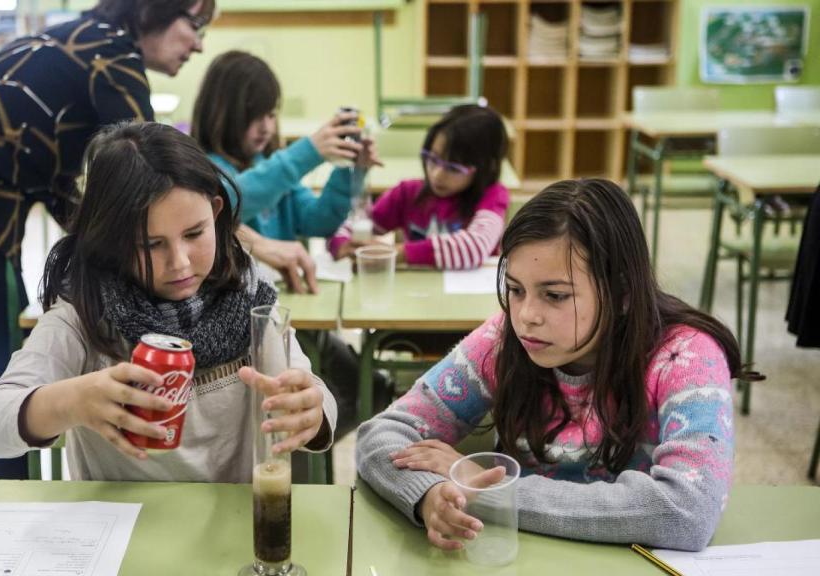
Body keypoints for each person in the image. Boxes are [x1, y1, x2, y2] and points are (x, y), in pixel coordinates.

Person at [0, 0, 214, 479]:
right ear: (155, 11)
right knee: (3, 365)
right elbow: (157, 176)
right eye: (195, 24)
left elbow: (73, 193)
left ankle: (17, 494)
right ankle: (7, 509)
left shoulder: (81, 39)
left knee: (8, 351)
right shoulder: (112, 53)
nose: (199, 43)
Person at [357, 178, 746, 552]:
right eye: (515, 289)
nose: (525, 315)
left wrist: (491, 492)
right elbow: (382, 435)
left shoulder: (688, 356)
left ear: (622, 292)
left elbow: (688, 511)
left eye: (555, 295)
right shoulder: (504, 338)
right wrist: (427, 497)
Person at [0, 122, 337, 481]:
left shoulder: (251, 295)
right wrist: (69, 401)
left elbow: (315, 396)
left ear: (216, 212)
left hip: (235, 524)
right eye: (150, 245)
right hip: (120, 529)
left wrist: (312, 411)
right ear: (109, 239)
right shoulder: (85, 312)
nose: (179, 262)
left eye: (194, 233)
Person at [191, 50, 382, 292]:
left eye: (271, 115)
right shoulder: (199, 169)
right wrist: (307, 153)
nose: (266, 127)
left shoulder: (269, 165)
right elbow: (231, 200)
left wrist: (350, 169)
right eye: (254, 116)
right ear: (219, 113)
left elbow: (317, 221)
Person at [329, 104, 508, 270]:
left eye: (453, 168)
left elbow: (473, 248)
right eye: (433, 159)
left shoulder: (493, 195)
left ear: (487, 168)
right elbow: (359, 222)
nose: (437, 174)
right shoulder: (407, 192)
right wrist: (342, 244)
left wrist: (397, 253)